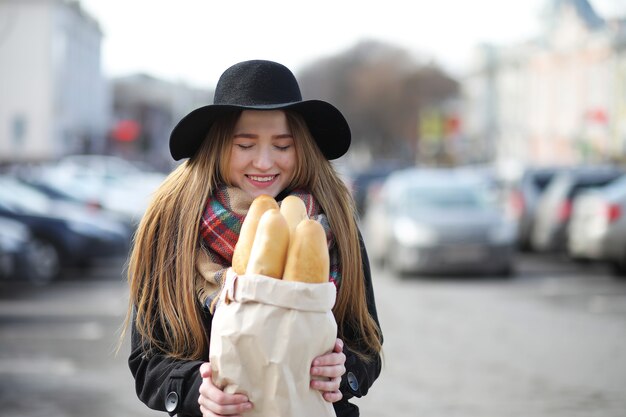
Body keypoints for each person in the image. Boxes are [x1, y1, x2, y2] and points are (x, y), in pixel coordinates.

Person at [122, 59, 383, 417]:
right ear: (217, 145)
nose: (263, 162)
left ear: (301, 147)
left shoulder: (332, 218)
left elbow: (367, 343)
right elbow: (147, 361)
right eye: (245, 145)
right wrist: (198, 390)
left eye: (282, 145)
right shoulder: (173, 222)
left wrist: (345, 370)